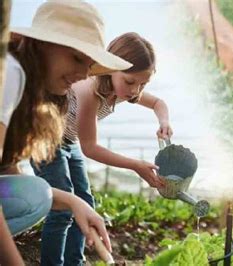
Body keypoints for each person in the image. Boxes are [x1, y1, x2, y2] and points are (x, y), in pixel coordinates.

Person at [0, 0, 132, 264]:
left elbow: (9, 180)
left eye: (90, 64)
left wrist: (75, 203)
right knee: (34, 194)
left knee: (34, 192)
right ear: (41, 44)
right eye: (77, 58)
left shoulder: (25, 89)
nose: (84, 74)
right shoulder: (9, 74)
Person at [32, 32, 172, 265]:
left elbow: (158, 103)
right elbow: (91, 148)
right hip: (47, 142)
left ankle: (74, 261)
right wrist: (135, 165)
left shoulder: (126, 90)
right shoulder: (91, 91)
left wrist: (164, 122)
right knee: (63, 207)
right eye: (130, 82)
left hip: (69, 142)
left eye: (143, 84)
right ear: (109, 67)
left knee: (85, 204)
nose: (136, 91)